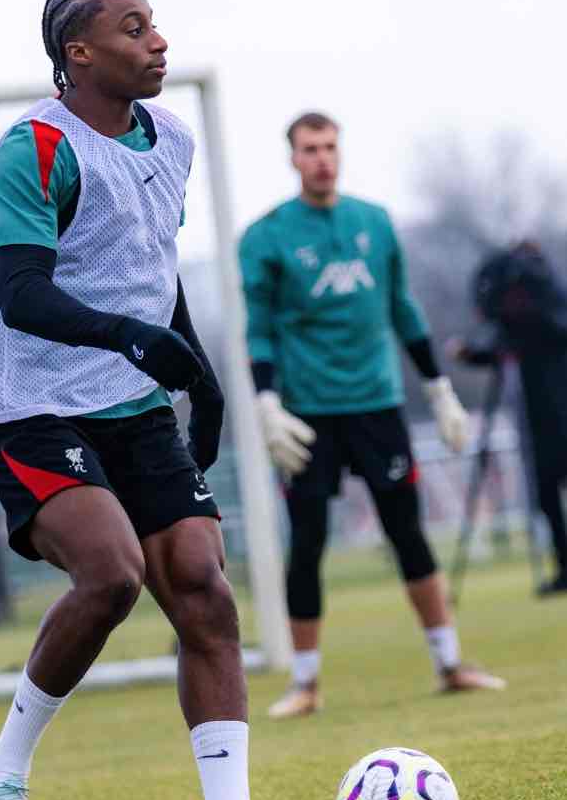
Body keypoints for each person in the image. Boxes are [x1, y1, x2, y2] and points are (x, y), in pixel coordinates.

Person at [0, 0, 343, 800]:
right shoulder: (37, 147)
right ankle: (3, 770)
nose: (158, 42)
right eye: (133, 29)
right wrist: (130, 337)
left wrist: (197, 371)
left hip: (133, 403)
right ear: (80, 55)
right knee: (113, 575)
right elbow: (20, 292)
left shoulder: (167, 139)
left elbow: (149, 265)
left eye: (155, 25)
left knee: (204, 591)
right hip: (35, 404)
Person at [239, 111, 506, 720]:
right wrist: (266, 401)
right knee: (307, 542)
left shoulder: (375, 223)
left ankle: (450, 662)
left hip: (377, 406)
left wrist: (439, 389)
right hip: (307, 415)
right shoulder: (266, 236)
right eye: (310, 149)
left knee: (406, 532)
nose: (322, 158)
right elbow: (258, 332)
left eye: (330, 146)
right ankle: (305, 684)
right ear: (292, 158)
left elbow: (404, 311)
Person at [451, 241, 567, 596]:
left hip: (556, 415)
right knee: (546, 495)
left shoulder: (553, 314)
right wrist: (469, 353)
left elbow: (549, 332)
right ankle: (564, 566)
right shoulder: (517, 331)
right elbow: (499, 353)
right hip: (535, 424)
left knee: (548, 493)